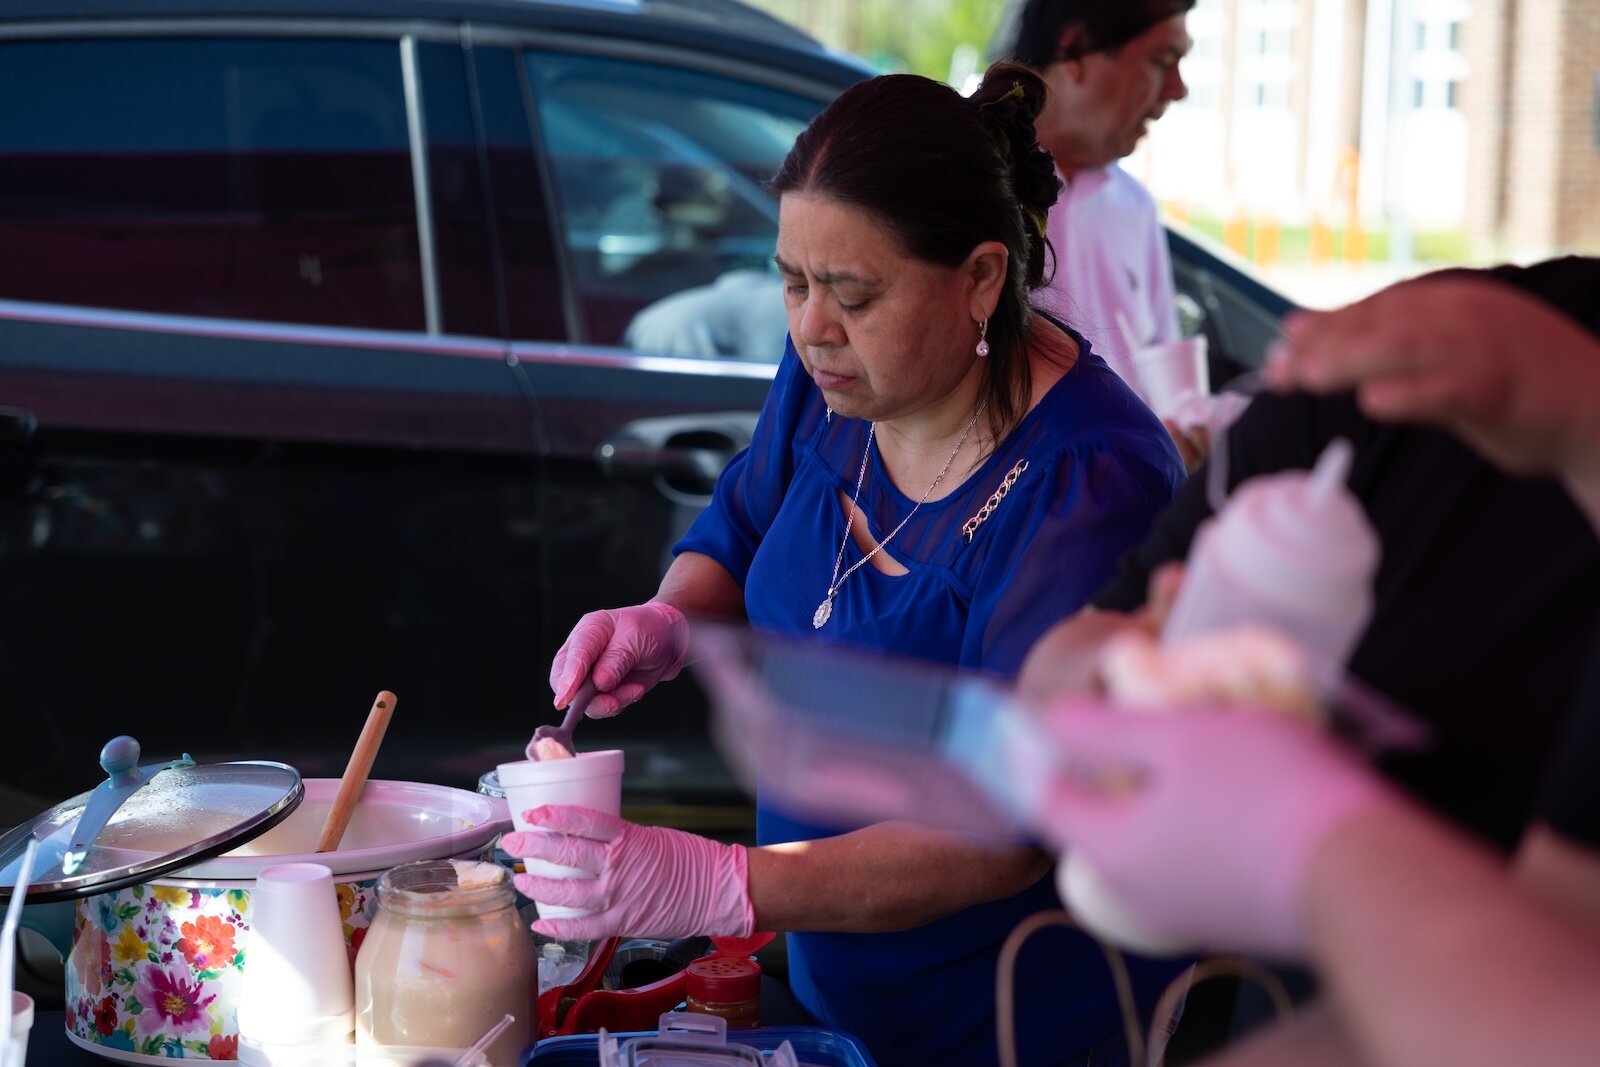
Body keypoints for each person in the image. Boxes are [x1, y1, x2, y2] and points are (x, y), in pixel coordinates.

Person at [504, 65, 1186, 1067]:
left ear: (981, 279)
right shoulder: (837, 376)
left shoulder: (1090, 483)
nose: (812, 324)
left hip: (1006, 1022)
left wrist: (718, 882)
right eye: (793, 281)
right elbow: (742, 522)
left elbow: (1006, 826)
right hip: (832, 989)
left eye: (854, 294)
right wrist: (671, 617)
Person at [1025, 261, 1600, 1066]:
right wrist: (1125, 679)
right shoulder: (1439, 353)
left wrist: (1302, 827)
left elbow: (1548, 1001)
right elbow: (1075, 656)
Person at [1003, 0, 1192, 388]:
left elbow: (1171, 391)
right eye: (1162, 60)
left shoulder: (1135, 206)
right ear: (1075, 48)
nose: (1179, 89)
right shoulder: (964, 188)